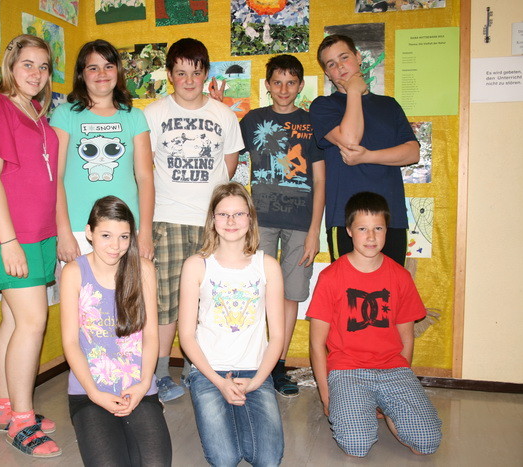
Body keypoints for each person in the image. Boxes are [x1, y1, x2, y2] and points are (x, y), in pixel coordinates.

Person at [0, 34, 60, 457]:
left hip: (37, 232)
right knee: (33, 322)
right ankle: (22, 422)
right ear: (10, 65)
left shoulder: (35, 112)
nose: (36, 73)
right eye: (27, 64)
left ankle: (4, 407)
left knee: (13, 320)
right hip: (10, 234)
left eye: (43, 66)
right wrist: (8, 242)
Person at [144, 38, 244, 401]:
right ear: (170, 74)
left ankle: (195, 369)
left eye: (196, 72)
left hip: (210, 224)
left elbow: (229, 165)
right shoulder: (153, 113)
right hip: (166, 220)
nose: (189, 80)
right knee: (166, 302)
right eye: (181, 72)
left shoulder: (224, 115)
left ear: (206, 74)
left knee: (207, 300)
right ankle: (159, 374)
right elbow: (144, 168)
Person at [307, 192, 442, 457]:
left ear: (387, 230)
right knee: (357, 445)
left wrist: (402, 380)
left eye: (378, 228)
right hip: (347, 371)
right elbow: (316, 343)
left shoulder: (400, 276)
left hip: (393, 369)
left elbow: (406, 338)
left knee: (427, 442)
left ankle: (390, 409)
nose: (371, 237)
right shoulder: (331, 277)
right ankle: (360, 406)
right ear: (349, 231)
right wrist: (326, 394)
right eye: (362, 229)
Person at [60, 196, 172, 466]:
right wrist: (94, 392)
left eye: (124, 237)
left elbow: (151, 336)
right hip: (90, 392)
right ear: (89, 232)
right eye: (106, 235)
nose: (116, 246)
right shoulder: (74, 272)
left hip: (138, 388)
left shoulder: (143, 270)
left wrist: (144, 384)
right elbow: (71, 342)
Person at [178, 182, 285, 466]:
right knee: (224, 459)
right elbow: (186, 336)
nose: (231, 221)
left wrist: (257, 381)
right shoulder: (196, 265)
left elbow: (277, 336)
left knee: (268, 460)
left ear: (250, 218)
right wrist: (219, 383)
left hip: (255, 371)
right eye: (223, 214)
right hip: (208, 372)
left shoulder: (268, 265)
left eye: (238, 214)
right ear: (212, 220)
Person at [239, 54, 325, 397]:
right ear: (267, 85)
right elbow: (230, 153)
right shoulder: (253, 120)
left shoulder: (311, 122)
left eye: (291, 82)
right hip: (260, 221)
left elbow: (320, 179)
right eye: (277, 82)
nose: (284, 89)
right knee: (255, 291)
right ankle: (251, 360)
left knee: (291, 295)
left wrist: (315, 231)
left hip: (301, 223)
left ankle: (278, 365)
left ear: (300, 85)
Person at [309, 34, 419, 266]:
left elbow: (412, 153)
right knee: (349, 288)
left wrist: (368, 156)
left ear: (358, 57)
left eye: (344, 57)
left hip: (391, 218)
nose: (340, 67)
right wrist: (354, 92)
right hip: (346, 220)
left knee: (390, 287)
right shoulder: (322, 106)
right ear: (327, 73)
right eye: (331, 64)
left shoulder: (389, 105)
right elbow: (350, 139)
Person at [50, 39, 154, 263]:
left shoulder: (135, 117)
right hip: (78, 230)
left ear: (118, 70)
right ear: (81, 74)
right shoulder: (65, 115)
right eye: (93, 68)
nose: (102, 73)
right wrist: (63, 231)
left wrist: (145, 232)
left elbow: (145, 178)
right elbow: (55, 177)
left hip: (125, 230)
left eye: (108, 66)